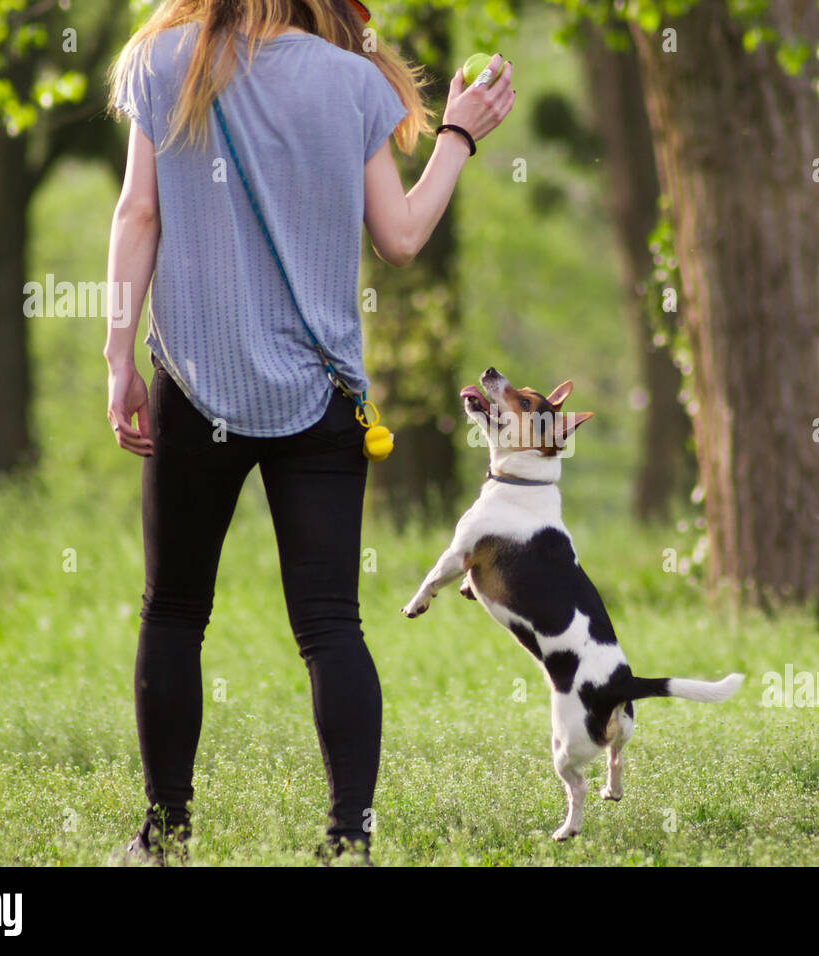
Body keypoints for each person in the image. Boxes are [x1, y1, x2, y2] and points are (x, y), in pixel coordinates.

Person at [102, 0, 514, 864]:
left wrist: (117, 356)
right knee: (330, 624)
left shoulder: (161, 59)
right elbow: (401, 238)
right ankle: (347, 840)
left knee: (173, 612)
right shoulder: (353, 82)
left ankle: (164, 836)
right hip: (320, 396)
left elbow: (137, 216)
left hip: (193, 380)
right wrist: (458, 136)